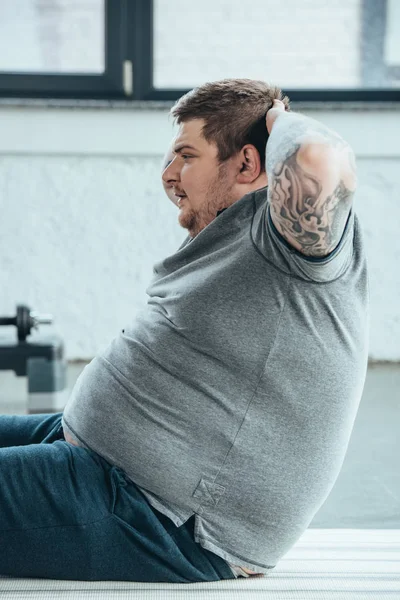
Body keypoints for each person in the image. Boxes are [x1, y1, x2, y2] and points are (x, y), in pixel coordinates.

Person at [0, 78, 369, 582]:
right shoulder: (234, 235)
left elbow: (319, 159)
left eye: (186, 156)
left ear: (245, 163)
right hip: (94, 454)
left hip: (158, 516)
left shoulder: (291, 245)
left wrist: (275, 116)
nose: (168, 174)